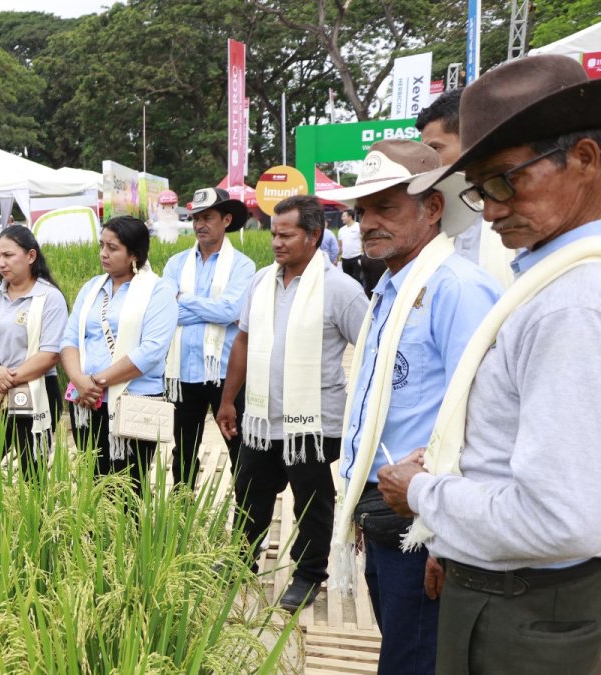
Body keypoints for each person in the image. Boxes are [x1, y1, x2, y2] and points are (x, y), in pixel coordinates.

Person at [378, 54, 601, 674]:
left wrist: (423, 493)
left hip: (526, 609)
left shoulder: (571, 305)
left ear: (584, 159)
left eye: (506, 179)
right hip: (509, 587)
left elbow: (560, 520)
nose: (493, 208)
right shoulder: (549, 279)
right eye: (478, 190)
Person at [318, 140, 502, 674]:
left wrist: (446, 538)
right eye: (363, 211)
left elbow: (477, 418)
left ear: (434, 208)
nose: (369, 222)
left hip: (424, 521)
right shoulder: (391, 289)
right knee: (403, 648)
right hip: (386, 510)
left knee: (414, 659)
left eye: (387, 208)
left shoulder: (457, 290)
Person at [215, 195, 367, 612]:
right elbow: (242, 339)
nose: (276, 242)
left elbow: (372, 349)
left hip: (314, 424)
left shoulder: (341, 290)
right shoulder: (262, 281)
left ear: (314, 236)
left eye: (287, 234)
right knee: (249, 492)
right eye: (273, 234)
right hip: (262, 416)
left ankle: (307, 574)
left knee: (312, 501)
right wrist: (229, 400)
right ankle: (238, 561)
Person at [61, 216, 178, 495]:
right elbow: (69, 339)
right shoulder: (92, 288)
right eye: (101, 245)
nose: (103, 253)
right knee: (93, 482)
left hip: (132, 400)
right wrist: (79, 380)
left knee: (128, 485)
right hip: (86, 401)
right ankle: (95, 538)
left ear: (134, 254)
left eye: (112, 248)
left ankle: (129, 539)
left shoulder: (158, 291)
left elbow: (151, 350)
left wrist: (96, 381)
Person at [161, 187, 255, 490]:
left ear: (226, 219)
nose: (200, 224)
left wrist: (182, 299)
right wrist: (210, 309)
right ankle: (182, 511)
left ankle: (245, 518)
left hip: (226, 375)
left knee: (238, 447)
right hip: (182, 373)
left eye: (208, 217)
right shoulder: (176, 263)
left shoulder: (243, 265)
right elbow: (164, 312)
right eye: (195, 218)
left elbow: (231, 310)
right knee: (183, 450)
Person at [0, 225, 68, 475]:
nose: (1, 263)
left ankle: (32, 515)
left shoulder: (49, 297)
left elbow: (50, 354)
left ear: (31, 256)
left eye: (9, 255)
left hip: (36, 392)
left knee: (32, 472)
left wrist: (2, 385)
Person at [416, 88, 515, 288]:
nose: (427, 163)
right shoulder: (436, 218)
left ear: (473, 140)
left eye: (435, 149)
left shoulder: (520, 210)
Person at [337, 210, 364, 286]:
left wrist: (363, 252)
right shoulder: (341, 230)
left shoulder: (359, 226)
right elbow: (340, 245)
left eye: (344, 216)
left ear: (350, 217)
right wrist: (337, 257)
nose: (342, 218)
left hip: (357, 257)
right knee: (347, 281)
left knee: (358, 279)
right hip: (345, 259)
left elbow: (364, 240)